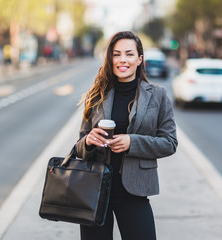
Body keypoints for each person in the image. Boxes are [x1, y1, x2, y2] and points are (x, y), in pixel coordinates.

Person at [75, 31, 178, 240]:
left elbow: (170, 143)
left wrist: (132, 142)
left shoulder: (158, 95)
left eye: (129, 54)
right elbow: (79, 146)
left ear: (139, 59)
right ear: (110, 59)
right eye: (117, 54)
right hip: (94, 192)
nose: (123, 60)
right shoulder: (97, 95)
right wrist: (88, 142)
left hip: (134, 193)